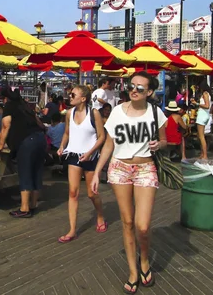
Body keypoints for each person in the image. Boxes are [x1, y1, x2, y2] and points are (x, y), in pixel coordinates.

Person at [91, 71, 167, 294]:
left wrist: (159, 145)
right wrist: (97, 172)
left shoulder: (155, 112)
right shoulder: (116, 112)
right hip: (119, 168)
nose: (134, 90)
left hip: (145, 168)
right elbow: (108, 145)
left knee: (142, 226)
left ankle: (145, 260)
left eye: (140, 88)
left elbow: (165, 139)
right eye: (131, 86)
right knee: (127, 222)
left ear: (150, 92)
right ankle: (133, 271)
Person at [57, 84, 107, 243]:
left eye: (73, 95)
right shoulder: (69, 113)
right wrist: (62, 146)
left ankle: (100, 215)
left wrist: (90, 152)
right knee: (73, 193)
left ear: (83, 98)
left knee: (92, 193)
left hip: (90, 157)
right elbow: (67, 133)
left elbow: (101, 137)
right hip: (73, 155)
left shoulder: (94, 114)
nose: (70, 97)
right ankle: (72, 230)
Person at [0, 87, 47, 218]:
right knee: (36, 171)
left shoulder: (9, 106)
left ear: (5, 98)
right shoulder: (24, 105)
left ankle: (24, 208)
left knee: (25, 172)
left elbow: (6, 125)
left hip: (26, 142)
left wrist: (1, 145)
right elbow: (38, 123)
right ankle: (33, 204)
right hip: (40, 138)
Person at [191, 80, 212, 160]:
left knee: (201, 136)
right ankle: (203, 154)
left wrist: (196, 103)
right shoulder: (207, 94)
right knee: (200, 135)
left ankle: (205, 155)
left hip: (202, 115)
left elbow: (207, 106)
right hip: (204, 115)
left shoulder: (205, 93)